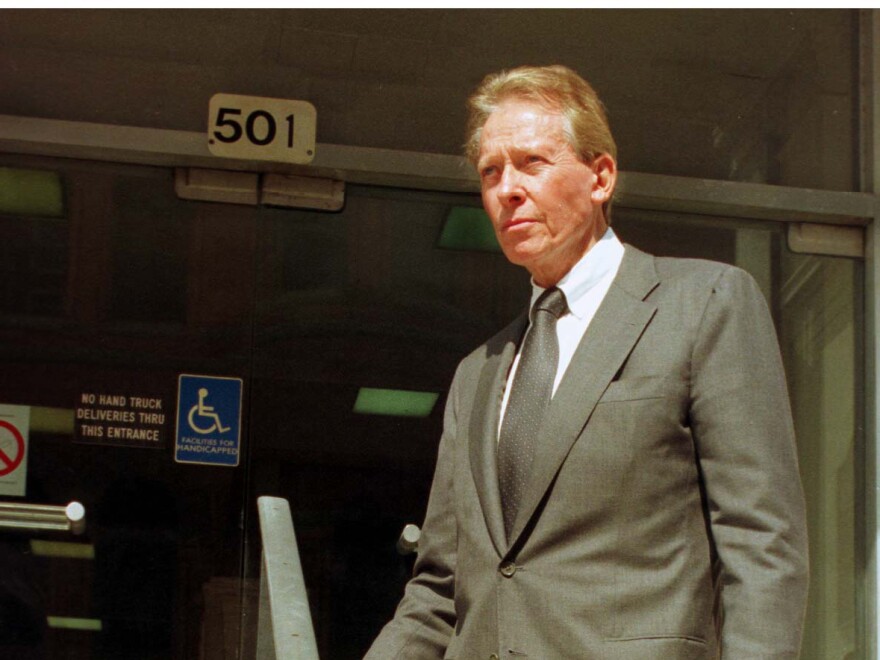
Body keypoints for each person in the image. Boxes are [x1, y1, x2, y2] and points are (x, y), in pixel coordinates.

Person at [365, 64, 808, 660]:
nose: (507, 189)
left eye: (532, 163)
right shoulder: (479, 372)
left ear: (601, 177)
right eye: (490, 171)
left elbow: (761, 545)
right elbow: (440, 588)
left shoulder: (703, 305)